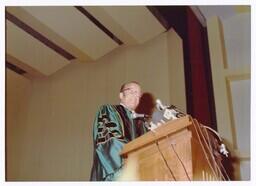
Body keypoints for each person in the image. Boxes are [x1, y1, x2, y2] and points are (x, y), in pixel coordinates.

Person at [90, 81, 148, 181]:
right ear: (121, 95)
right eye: (131, 91)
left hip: (141, 172)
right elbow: (109, 141)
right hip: (114, 171)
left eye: (138, 93)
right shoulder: (108, 110)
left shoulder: (142, 123)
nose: (135, 95)